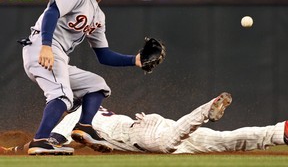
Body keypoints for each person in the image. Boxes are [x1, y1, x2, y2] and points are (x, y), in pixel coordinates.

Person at [19, 0, 142, 155]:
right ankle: (40, 140)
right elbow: (52, 12)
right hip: (42, 47)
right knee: (62, 95)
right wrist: (46, 46)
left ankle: (84, 127)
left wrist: (135, 60)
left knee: (97, 85)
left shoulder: (98, 16)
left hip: (57, 55)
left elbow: (103, 55)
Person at [1, 92, 287, 154]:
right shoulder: (89, 112)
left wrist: (14, 152)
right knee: (227, 141)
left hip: (143, 134)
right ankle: (281, 132)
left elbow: (47, 145)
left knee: (165, 144)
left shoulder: (75, 117)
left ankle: (206, 111)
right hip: (150, 126)